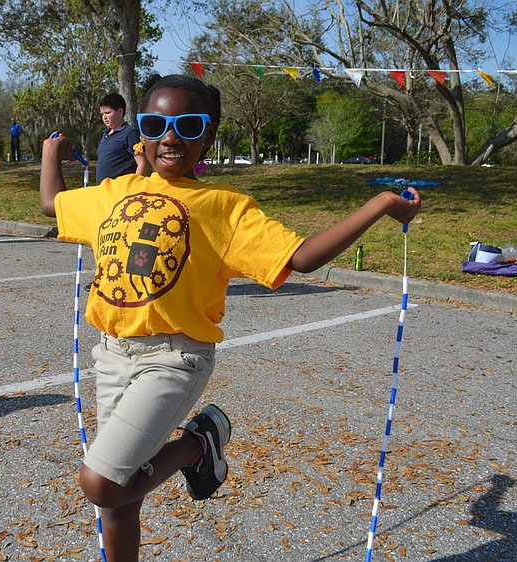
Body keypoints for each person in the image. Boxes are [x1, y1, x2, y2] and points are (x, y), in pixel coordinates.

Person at [39, 73, 421, 562]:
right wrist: (53, 153)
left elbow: (300, 258)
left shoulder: (226, 207)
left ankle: (197, 445)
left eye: (188, 125)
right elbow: (52, 203)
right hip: (112, 354)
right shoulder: (114, 192)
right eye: (156, 124)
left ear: (210, 135)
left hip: (174, 359)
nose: (170, 137)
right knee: (120, 494)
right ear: (141, 134)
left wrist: (382, 204)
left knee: (100, 482)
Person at [96, 93, 148, 184]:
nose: (104, 117)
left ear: (120, 112)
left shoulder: (130, 133)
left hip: (122, 191)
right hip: (102, 191)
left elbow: (142, 163)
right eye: (102, 114)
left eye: (108, 113)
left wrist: (135, 186)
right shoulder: (105, 134)